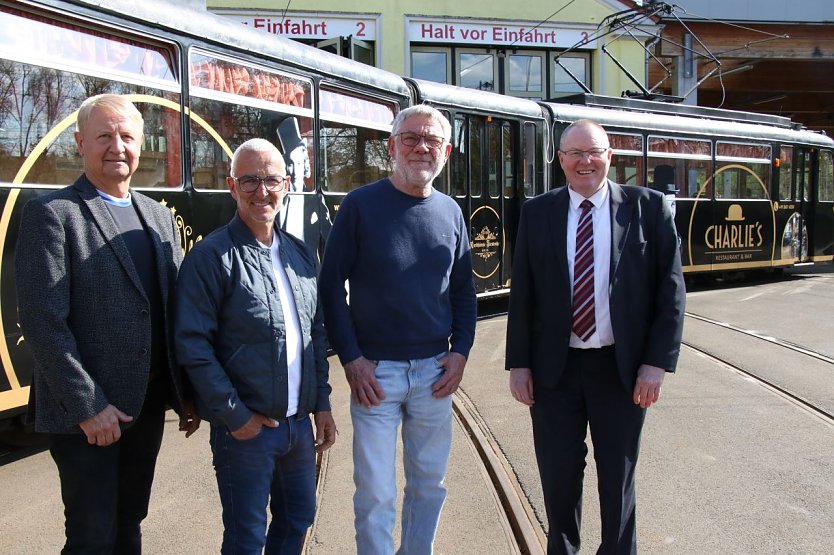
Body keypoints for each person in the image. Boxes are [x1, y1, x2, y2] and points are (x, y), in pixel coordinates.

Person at [14, 93, 200, 554]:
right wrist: (89, 406)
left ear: (140, 144)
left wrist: (187, 393)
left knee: (130, 523)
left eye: (127, 136)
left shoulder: (157, 216)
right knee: (91, 536)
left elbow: (172, 313)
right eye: (104, 136)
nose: (117, 146)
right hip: (88, 415)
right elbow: (42, 321)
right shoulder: (53, 213)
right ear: (80, 143)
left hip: (146, 406)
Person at [505, 119, 685, 554]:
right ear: (561, 160)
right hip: (555, 370)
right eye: (574, 153)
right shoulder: (537, 212)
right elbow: (523, 293)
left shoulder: (649, 207)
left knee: (617, 477)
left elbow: (671, 291)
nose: (584, 161)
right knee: (558, 475)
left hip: (621, 370)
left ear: (609, 156)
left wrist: (656, 364)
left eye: (593, 152)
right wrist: (519, 363)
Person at [318, 104, 477, 554]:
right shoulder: (360, 205)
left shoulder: (450, 213)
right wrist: (351, 358)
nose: (421, 147)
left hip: (435, 373)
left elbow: (463, 292)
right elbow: (330, 286)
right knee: (376, 494)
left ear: (446, 151)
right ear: (392, 146)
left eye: (432, 140)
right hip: (375, 374)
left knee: (429, 485)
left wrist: (461, 351)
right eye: (411, 138)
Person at [174, 138, 336, 554]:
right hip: (246, 432)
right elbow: (193, 345)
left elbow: (315, 334)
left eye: (271, 180)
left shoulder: (300, 253)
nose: (261, 191)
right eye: (249, 181)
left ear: (286, 185)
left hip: (298, 427)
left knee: (298, 519)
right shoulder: (210, 257)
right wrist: (235, 416)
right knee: (246, 538)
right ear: (232, 187)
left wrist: (322, 404)